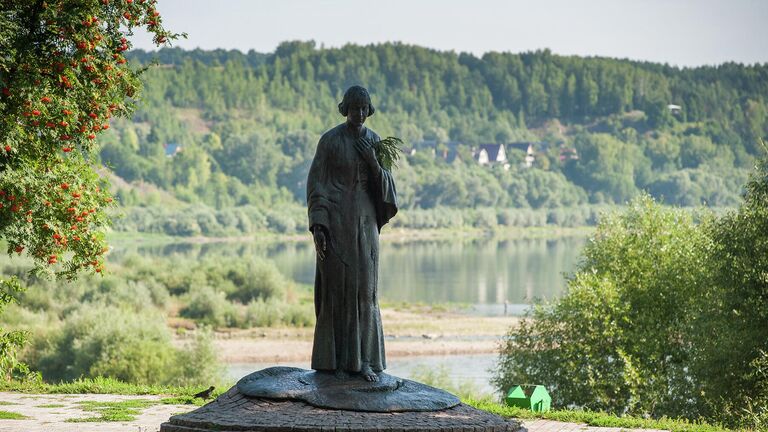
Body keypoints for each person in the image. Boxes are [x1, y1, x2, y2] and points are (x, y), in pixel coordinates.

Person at [306, 86, 398, 382]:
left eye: (363, 108)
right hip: (337, 223)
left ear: (369, 110)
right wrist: (319, 225)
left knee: (365, 291)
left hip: (366, 224)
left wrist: (372, 162)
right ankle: (337, 363)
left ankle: (367, 361)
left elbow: (389, 190)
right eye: (354, 108)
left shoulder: (375, 143)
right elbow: (316, 185)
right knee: (338, 290)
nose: (359, 113)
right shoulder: (330, 141)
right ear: (345, 108)